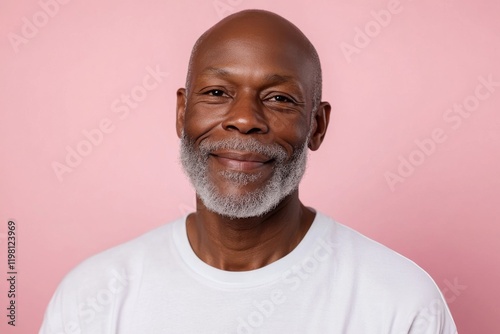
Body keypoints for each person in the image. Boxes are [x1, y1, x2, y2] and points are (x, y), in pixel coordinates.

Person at [40, 9, 457, 334]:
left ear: (316, 125)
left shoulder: (401, 303)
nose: (244, 119)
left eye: (278, 99)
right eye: (218, 93)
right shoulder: (91, 297)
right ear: (182, 112)